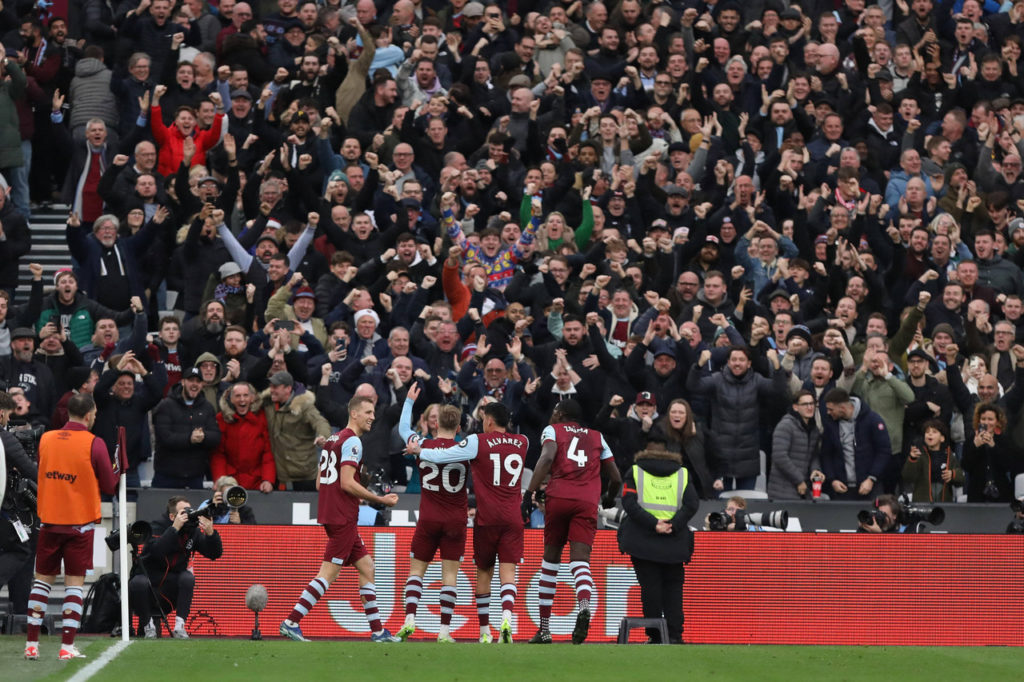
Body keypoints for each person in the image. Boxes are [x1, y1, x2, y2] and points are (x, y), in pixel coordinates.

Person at [279, 395, 401, 643]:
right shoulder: (353, 442)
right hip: (342, 515)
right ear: (353, 413)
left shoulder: (333, 440)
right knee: (328, 574)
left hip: (334, 513)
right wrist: (380, 499)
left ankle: (378, 632)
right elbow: (346, 483)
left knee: (367, 567)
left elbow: (319, 482)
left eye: (373, 413)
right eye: (368, 412)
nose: (372, 417)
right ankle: (291, 622)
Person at [409, 400, 529, 644]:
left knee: (484, 571)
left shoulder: (477, 441)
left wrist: (420, 451)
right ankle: (506, 616)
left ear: (489, 421)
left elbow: (447, 454)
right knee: (508, 572)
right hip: (513, 518)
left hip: (486, 518)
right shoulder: (523, 442)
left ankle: (485, 631)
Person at [26, 394, 118, 660]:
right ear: (89, 414)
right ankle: (66, 647)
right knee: (74, 586)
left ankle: (31, 644)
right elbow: (109, 485)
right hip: (79, 524)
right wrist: (117, 468)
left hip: (49, 520)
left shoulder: (46, 438)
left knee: (41, 582)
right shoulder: (94, 442)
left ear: (68, 414)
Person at [523, 399, 621, 644]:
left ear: (561, 414)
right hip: (587, 501)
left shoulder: (553, 431)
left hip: (559, 497)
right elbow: (616, 477)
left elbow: (546, 459)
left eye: (554, 411)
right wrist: (608, 498)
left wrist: (529, 492)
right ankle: (584, 606)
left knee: (550, 563)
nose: (552, 415)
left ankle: (544, 630)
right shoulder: (598, 437)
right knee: (580, 562)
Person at [395, 382, 466, 643]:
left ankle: (410, 618)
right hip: (456, 518)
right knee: (449, 575)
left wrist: (409, 401)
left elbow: (403, 429)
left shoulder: (422, 443)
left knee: (416, 571)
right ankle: (444, 631)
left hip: (428, 516)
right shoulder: (466, 448)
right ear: (458, 428)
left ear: (435, 425)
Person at [617, 444, 699, 644]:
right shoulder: (682, 473)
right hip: (674, 541)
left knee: (650, 589)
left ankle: (655, 636)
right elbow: (692, 504)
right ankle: (675, 636)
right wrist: (674, 524)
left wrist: (654, 524)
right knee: (674, 589)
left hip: (643, 542)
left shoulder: (635, 471)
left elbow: (628, 503)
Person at [129, 495, 224, 638]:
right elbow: (157, 552)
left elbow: (214, 554)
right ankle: (148, 625)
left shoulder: (192, 531)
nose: (188, 515)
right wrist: (174, 529)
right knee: (138, 581)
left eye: (189, 511)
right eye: (183, 512)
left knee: (188, 577)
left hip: (171, 588)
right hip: (149, 583)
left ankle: (180, 626)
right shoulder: (156, 527)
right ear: (172, 516)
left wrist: (211, 533)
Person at [0, 392, 38, 623]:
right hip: (4, 512)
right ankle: (21, 610)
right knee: (22, 548)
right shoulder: (6, 439)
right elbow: (30, 471)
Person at [820, 388, 892, 501]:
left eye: (831, 409)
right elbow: (826, 454)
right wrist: (832, 479)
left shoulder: (873, 420)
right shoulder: (830, 423)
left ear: (842, 408)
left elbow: (884, 451)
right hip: (842, 488)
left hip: (869, 487)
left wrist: (871, 478)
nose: (828, 412)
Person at [767, 391, 823, 500]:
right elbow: (780, 457)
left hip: (803, 490)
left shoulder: (814, 429)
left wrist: (815, 470)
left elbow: (814, 456)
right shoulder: (786, 425)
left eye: (812, 404)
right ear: (795, 407)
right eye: (805, 404)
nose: (810, 407)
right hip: (782, 490)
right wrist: (799, 480)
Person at [902, 420, 964, 503]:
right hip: (923, 501)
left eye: (934, 432)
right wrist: (912, 459)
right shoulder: (919, 455)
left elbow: (961, 478)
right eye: (927, 432)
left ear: (942, 438)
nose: (930, 434)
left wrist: (952, 474)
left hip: (944, 503)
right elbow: (908, 477)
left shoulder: (949, 455)